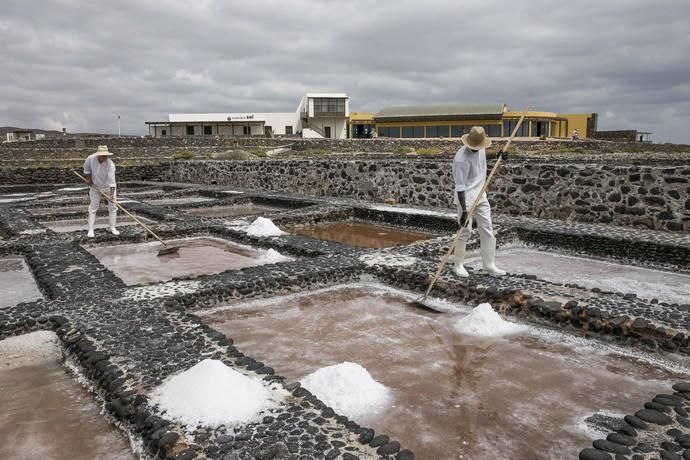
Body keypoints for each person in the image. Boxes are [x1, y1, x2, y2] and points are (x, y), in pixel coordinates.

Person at [451, 126, 505, 277]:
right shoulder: (460, 159)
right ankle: (458, 265)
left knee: (487, 228)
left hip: (481, 195)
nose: (477, 149)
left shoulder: (479, 147)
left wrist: (497, 155)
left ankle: (489, 265)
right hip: (466, 197)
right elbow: (460, 187)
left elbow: (482, 156)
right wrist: (464, 211)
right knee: (464, 230)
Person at [83, 145, 119, 238]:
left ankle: (112, 227)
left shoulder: (110, 164)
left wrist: (111, 196)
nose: (105, 157)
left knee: (113, 206)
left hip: (108, 187)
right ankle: (90, 229)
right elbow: (86, 169)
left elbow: (112, 182)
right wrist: (88, 179)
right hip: (95, 187)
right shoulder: (90, 159)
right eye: (103, 155)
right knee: (93, 207)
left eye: (106, 155)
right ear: (98, 155)